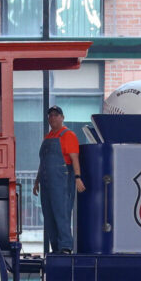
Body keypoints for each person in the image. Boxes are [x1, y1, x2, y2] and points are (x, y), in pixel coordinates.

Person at [35, 105, 84, 253]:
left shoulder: (68, 135)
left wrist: (78, 178)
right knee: (49, 216)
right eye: (50, 115)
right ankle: (55, 247)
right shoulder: (48, 136)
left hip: (61, 181)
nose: (53, 118)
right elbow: (42, 161)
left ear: (62, 118)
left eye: (56, 115)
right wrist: (37, 181)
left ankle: (66, 247)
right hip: (46, 181)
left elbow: (74, 158)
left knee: (61, 213)